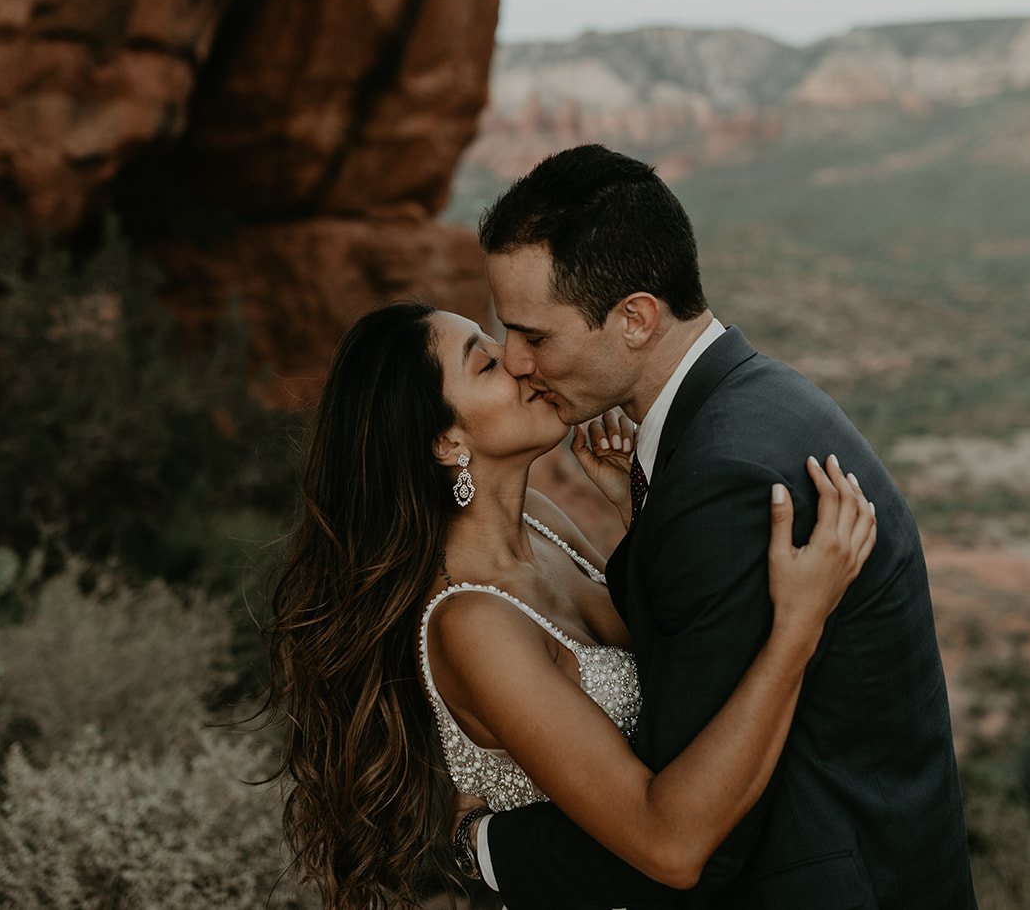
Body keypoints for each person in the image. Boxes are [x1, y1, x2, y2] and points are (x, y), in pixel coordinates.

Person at [471, 143, 977, 909]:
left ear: (635, 318)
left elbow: (695, 843)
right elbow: (700, 638)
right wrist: (644, 515)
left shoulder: (725, 479)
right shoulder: (758, 400)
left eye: (534, 335)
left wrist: (473, 848)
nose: (513, 361)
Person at [269, 300, 876, 909]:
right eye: (486, 363)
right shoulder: (472, 623)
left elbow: (668, 657)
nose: (518, 360)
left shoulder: (541, 521)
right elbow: (669, 845)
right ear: (445, 440)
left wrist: (636, 518)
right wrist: (798, 627)